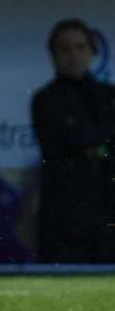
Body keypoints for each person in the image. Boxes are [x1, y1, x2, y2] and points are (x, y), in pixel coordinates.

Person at [31, 19, 115, 263]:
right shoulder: (45, 100)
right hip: (63, 222)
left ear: (92, 51)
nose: (73, 55)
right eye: (64, 49)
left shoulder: (109, 96)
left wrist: (96, 148)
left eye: (80, 47)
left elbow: (92, 143)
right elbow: (80, 140)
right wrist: (104, 143)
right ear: (53, 55)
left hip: (108, 218)